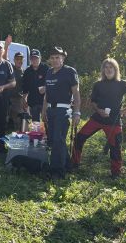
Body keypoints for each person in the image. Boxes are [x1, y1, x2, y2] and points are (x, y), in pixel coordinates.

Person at [72, 58, 126, 178]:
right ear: (103, 70)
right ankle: (74, 164)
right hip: (97, 118)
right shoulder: (98, 84)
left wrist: (125, 110)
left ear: (116, 69)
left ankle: (116, 173)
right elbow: (93, 102)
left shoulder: (123, 84)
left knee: (115, 147)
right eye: (106, 67)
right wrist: (98, 110)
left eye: (111, 67)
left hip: (113, 121)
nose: (108, 70)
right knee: (79, 138)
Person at [41, 46, 81, 179]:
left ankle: (57, 171)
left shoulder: (69, 71)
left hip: (63, 110)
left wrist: (77, 112)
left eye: (57, 57)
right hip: (50, 109)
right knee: (54, 139)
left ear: (63, 58)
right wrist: (43, 110)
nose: (55, 60)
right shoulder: (49, 72)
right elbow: (47, 93)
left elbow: (76, 93)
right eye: (52, 58)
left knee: (58, 139)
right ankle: (68, 165)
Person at [22, 49, 49, 122]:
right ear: (30, 59)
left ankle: (47, 129)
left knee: (47, 122)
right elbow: (25, 87)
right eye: (32, 58)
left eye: (36, 58)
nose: (34, 60)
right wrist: (24, 99)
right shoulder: (27, 71)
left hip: (45, 101)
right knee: (35, 124)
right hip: (33, 102)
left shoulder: (46, 69)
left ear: (40, 58)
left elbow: (52, 83)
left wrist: (45, 87)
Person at [8, 52, 25, 130]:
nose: (19, 61)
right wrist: (6, 47)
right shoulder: (10, 68)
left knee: (18, 120)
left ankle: (18, 132)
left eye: (21, 59)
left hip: (18, 99)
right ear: (14, 60)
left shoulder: (24, 72)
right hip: (8, 97)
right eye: (17, 59)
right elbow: (4, 58)